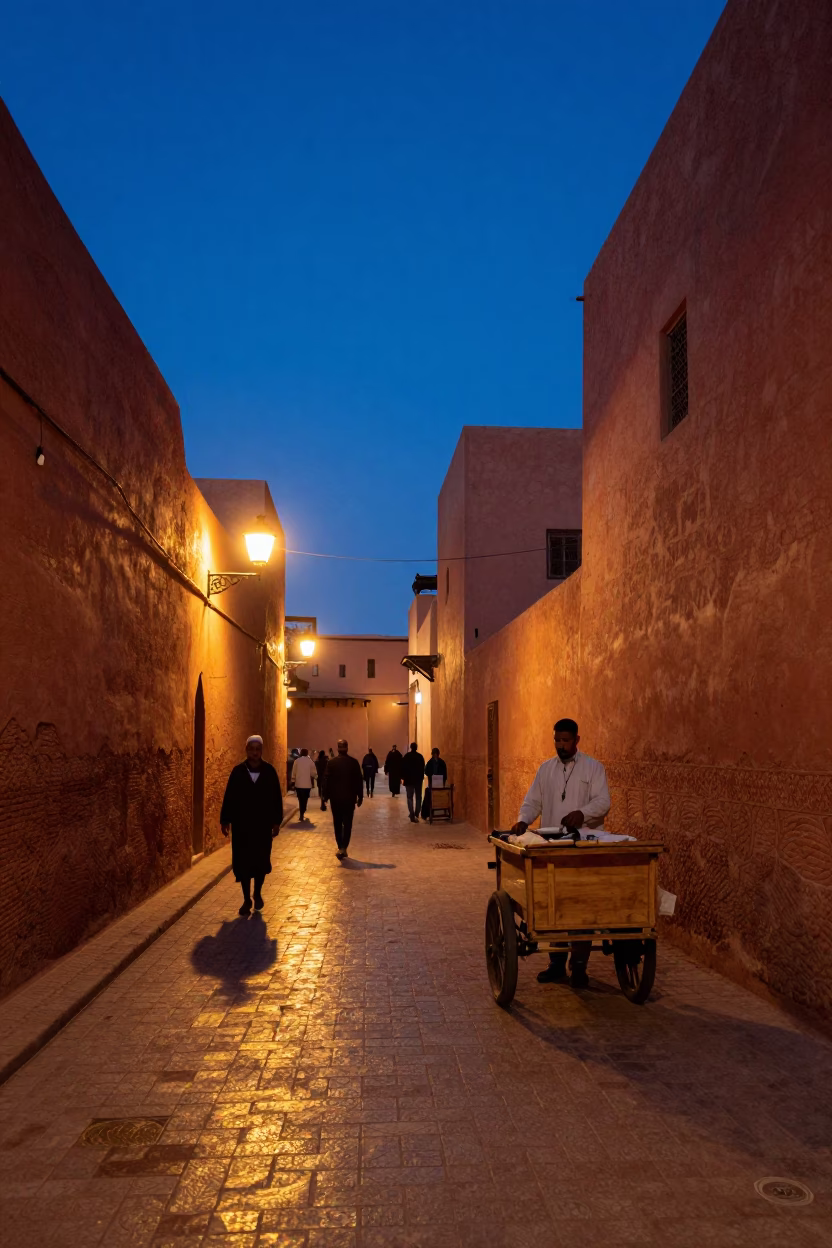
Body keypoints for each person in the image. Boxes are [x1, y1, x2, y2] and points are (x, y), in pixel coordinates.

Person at [511, 717, 611, 988]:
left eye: (565, 741)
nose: (561, 746)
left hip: (583, 849)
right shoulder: (546, 770)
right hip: (553, 848)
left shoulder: (594, 768)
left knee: (580, 908)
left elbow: (603, 801)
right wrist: (524, 819)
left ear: (576, 740)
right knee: (555, 905)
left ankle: (579, 967)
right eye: (557, 740)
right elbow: (533, 801)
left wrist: (583, 813)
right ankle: (556, 965)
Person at [220, 734, 284, 915]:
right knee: (243, 862)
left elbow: (276, 798)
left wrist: (276, 821)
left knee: (261, 860)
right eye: (251, 749)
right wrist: (225, 820)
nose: (255, 752)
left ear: (261, 751)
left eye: (258, 749)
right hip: (242, 826)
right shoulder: (238, 772)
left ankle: (257, 892)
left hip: (262, 826)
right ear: (246, 750)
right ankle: (246, 899)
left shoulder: (269, 772)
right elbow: (229, 797)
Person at [326, 738, 364, 858]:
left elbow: (326, 781)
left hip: (335, 800)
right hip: (349, 799)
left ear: (338, 748)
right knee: (347, 824)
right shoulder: (353, 763)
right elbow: (359, 781)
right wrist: (360, 796)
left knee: (337, 823)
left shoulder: (331, 763)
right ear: (347, 748)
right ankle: (343, 847)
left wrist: (324, 798)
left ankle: (340, 846)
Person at [400, 742, 426, 824]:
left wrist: (403, 778)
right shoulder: (420, 757)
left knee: (409, 797)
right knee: (418, 797)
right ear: (416, 748)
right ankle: (416, 813)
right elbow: (423, 769)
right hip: (418, 780)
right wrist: (421, 778)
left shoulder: (407, 756)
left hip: (409, 781)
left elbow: (403, 768)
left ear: (411, 747)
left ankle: (411, 814)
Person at [421, 747, 447, 820]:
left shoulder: (441, 762)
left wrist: (442, 780)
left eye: (436, 754)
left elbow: (445, 774)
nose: (435, 756)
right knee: (428, 795)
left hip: (439, 784)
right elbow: (426, 771)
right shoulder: (430, 763)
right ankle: (425, 814)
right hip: (432, 783)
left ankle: (426, 814)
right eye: (434, 754)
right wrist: (431, 776)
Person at [291, 748, 317, 821]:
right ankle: (303, 810)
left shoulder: (296, 761)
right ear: (307, 753)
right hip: (307, 785)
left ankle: (301, 813)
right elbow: (313, 773)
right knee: (305, 799)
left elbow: (294, 772)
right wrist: (316, 777)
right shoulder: (310, 762)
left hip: (298, 784)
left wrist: (293, 780)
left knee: (300, 799)